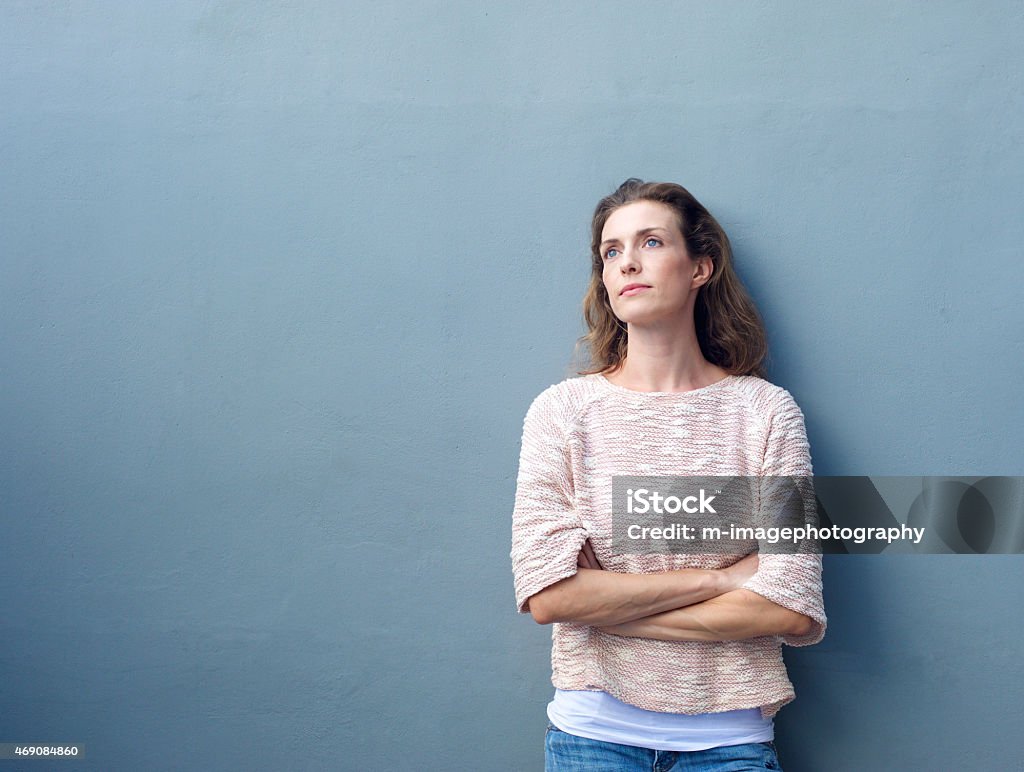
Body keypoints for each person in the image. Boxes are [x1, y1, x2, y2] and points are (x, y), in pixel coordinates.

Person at [510, 178, 826, 771]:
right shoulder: (562, 412)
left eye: (651, 242)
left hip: (729, 745)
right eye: (611, 250)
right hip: (590, 739)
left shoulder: (765, 413)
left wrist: (603, 604)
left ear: (700, 266)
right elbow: (549, 596)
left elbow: (790, 606)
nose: (627, 260)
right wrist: (726, 580)